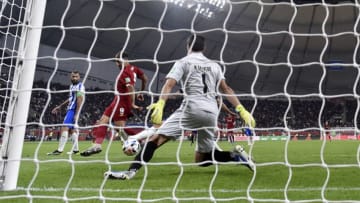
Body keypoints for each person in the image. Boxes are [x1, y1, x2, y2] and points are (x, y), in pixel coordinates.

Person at [104, 34, 256, 180]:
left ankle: (130, 172)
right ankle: (235, 156)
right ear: (205, 48)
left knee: (155, 140)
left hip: (191, 109)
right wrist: (242, 111)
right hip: (211, 112)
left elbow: (169, 84)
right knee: (201, 158)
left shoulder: (183, 62)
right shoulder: (214, 65)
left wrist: (161, 104)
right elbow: (227, 89)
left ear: (188, 46)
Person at [80, 51, 148, 156]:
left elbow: (130, 88)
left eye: (118, 62)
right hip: (116, 101)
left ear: (125, 60)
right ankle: (97, 146)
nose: (117, 64)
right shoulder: (134, 69)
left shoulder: (125, 72)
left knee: (120, 129)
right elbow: (145, 78)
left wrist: (133, 103)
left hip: (123, 102)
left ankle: (138, 143)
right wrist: (141, 92)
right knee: (103, 121)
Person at [47, 71, 85, 155]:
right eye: (73, 76)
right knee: (72, 130)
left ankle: (59, 150)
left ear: (79, 77)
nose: (74, 78)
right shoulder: (72, 86)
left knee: (64, 127)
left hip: (73, 110)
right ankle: (75, 150)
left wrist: (76, 114)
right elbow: (71, 98)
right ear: (70, 77)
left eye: (76, 77)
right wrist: (60, 106)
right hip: (71, 109)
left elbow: (79, 99)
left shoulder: (80, 86)